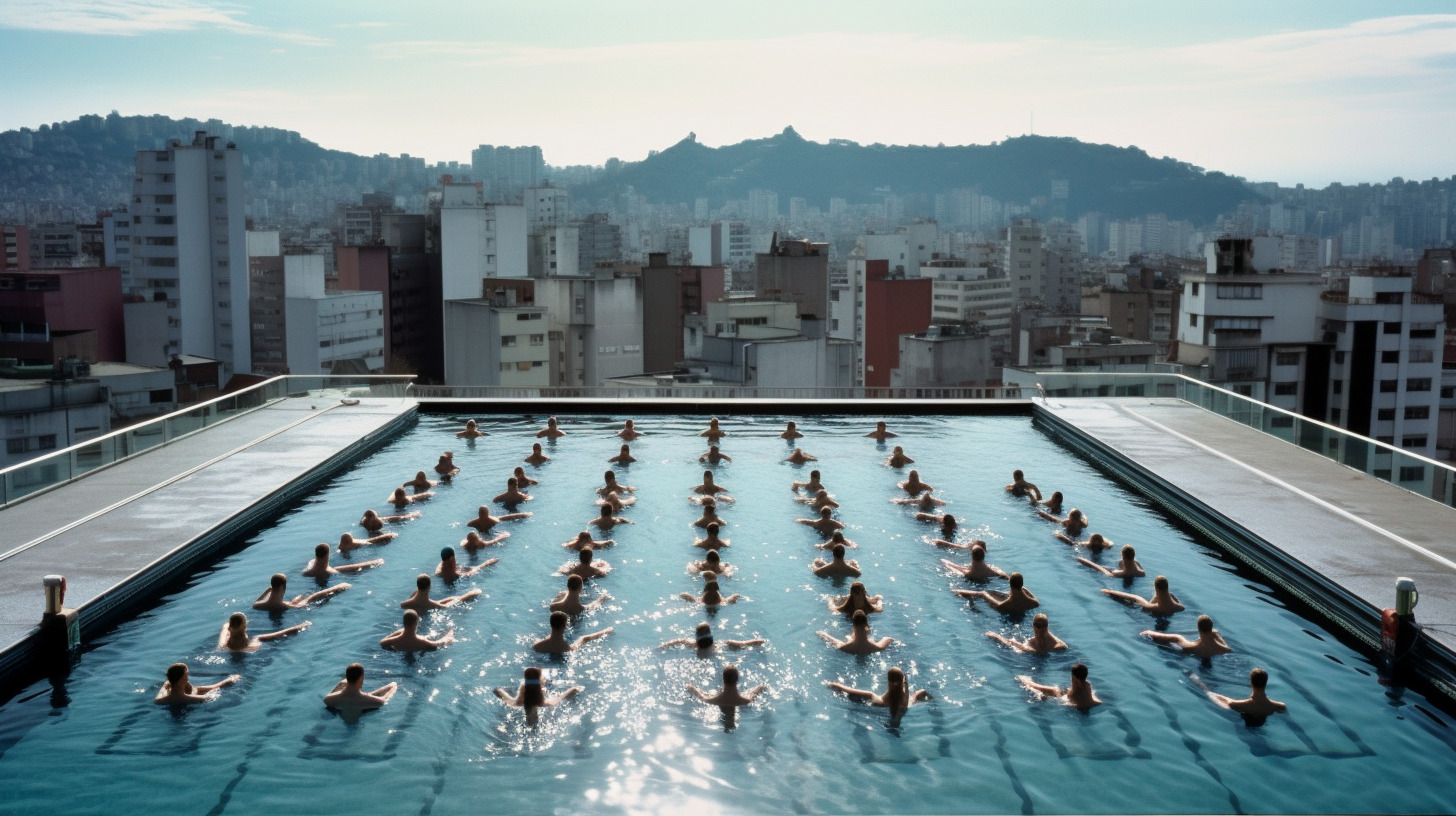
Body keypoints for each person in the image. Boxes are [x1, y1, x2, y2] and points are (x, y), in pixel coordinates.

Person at [826, 667, 930, 718]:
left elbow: (845, 689)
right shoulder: (908, 701)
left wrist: (832, 684)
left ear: (888, 681)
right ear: (903, 683)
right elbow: (917, 692)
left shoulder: (876, 700)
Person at [494, 666, 582, 724]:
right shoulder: (550, 703)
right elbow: (570, 692)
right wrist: (575, 689)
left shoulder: (512, 703)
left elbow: (497, 691)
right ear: (540, 690)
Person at [1205, 668, 1287, 720]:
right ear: (1266, 683)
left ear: (1251, 682)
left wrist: (1207, 691)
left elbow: (1225, 700)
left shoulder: (1236, 705)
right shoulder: (1279, 706)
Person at [1141, 614, 1231, 657]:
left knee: (1173, 641)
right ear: (1211, 628)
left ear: (1199, 629)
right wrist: (1216, 634)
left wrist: (1148, 632)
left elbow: (1162, 636)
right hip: (1212, 655)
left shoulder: (1191, 645)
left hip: (1191, 653)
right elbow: (1225, 645)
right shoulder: (1224, 649)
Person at [324, 662, 398, 715]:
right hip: (360, 712)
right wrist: (393, 686)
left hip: (343, 713)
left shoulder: (328, 700)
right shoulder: (377, 701)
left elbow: (330, 696)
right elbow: (384, 699)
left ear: (347, 677)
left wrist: (340, 684)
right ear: (361, 679)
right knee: (393, 684)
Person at [687, 665, 765, 714]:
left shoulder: (711, 700)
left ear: (723, 679)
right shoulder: (746, 700)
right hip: (739, 701)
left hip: (720, 702)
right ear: (737, 680)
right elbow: (761, 688)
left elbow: (698, 694)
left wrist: (691, 687)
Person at [1018, 663, 1101, 709]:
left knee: (1054, 690)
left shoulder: (1077, 686)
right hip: (1092, 703)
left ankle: (1027, 682)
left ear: (1075, 677)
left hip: (1075, 705)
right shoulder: (1087, 684)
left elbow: (1070, 698)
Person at [218, 612, 309, 652]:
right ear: (245, 626)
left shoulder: (223, 645)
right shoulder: (253, 643)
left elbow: (225, 627)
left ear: (230, 628)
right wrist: (300, 626)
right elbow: (279, 634)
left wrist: (230, 626)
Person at [253, 573, 349, 611]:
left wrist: (267, 591)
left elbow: (256, 602)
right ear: (283, 587)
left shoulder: (257, 605)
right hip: (289, 607)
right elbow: (309, 599)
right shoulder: (285, 606)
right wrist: (336, 588)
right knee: (311, 597)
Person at [955, 571, 1040, 614]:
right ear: (1022, 584)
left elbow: (982, 595)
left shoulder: (1003, 605)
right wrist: (1024, 589)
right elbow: (1036, 600)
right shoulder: (1034, 603)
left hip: (1007, 615)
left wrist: (958, 591)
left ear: (1010, 584)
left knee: (984, 593)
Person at [155, 662, 240, 705]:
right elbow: (213, 693)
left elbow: (166, 684)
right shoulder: (195, 698)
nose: (188, 677)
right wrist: (229, 680)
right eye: (187, 675)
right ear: (183, 678)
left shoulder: (159, 700)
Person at [1101, 575, 1185, 616]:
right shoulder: (1180, 607)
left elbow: (1135, 597)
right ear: (1167, 587)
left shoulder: (1152, 606)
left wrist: (1110, 591)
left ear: (1156, 587)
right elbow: (1173, 599)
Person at [533, 610, 613, 653]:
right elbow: (585, 638)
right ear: (565, 626)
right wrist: (606, 631)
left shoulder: (537, 645)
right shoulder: (566, 648)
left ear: (551, 624)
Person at [818, 610, 893, 654]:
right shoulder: (878, 647)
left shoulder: (844, 648)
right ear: (866, 625)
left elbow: (833, 640)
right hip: (869, 648)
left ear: (853, 625)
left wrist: (824, 634)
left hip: (852, 649)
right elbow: (889, 639)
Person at [660, 622, 764, 654]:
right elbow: (747, 643)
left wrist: (662, 647)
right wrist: (759, 640)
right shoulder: (722, 645)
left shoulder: (692, 645)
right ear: (711, 637)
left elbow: (677, 641)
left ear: (696, 638)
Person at [985, 613, 1067, 653]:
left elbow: (1010, 643)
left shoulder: (1030, 644)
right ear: (1047, 626)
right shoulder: (1058, 644)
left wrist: (997, 636)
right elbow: (1064, 646)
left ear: (1033, 626)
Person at [380, 609, 454, 651]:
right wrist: (449, 634)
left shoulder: (392, 641)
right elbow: (439, 643)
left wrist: (399, 632)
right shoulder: (423, 642)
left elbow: (382, 642)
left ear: (403, 623)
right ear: (416, 623)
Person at [401, 573, 482, 612]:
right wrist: (469, 594)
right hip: (430, 607)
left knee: (451, 598)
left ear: (417, 586)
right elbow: (448, 605)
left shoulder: (404, 604)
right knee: (455, 599)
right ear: (429, 587)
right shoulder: (432, 605)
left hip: (414, 613)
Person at [303, 543, 383, 579]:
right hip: (329, 575)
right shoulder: (331, 572)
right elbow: (352, 570)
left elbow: (312, 562)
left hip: (315, 575)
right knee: (353, 568)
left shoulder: (307, 571)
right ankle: (376, 562)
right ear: (328, 554)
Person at [941, 544, 1008, 580]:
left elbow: (946, 562)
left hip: (972, 579)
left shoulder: (969, 573)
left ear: (972, 556)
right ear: (984, 555)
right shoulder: (993, 571)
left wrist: (943, 561)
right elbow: (1004, 576)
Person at [1077, 544, 1145, 578]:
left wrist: (1081, 559)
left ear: (1122, 555)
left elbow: (1096, 566)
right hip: (1131, 571)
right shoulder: (1142, 573)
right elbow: (1135, 562)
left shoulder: (1116, 574)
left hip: (1118, 573)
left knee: (1096, 565)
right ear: (1134, 555)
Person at [467, 504, 531, 533]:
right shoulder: (493, 521)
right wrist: (524, 515)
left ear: (479, 513)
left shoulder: (472, 523)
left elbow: (508, 517)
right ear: (488, 513)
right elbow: (507, 518)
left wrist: (523, 515)